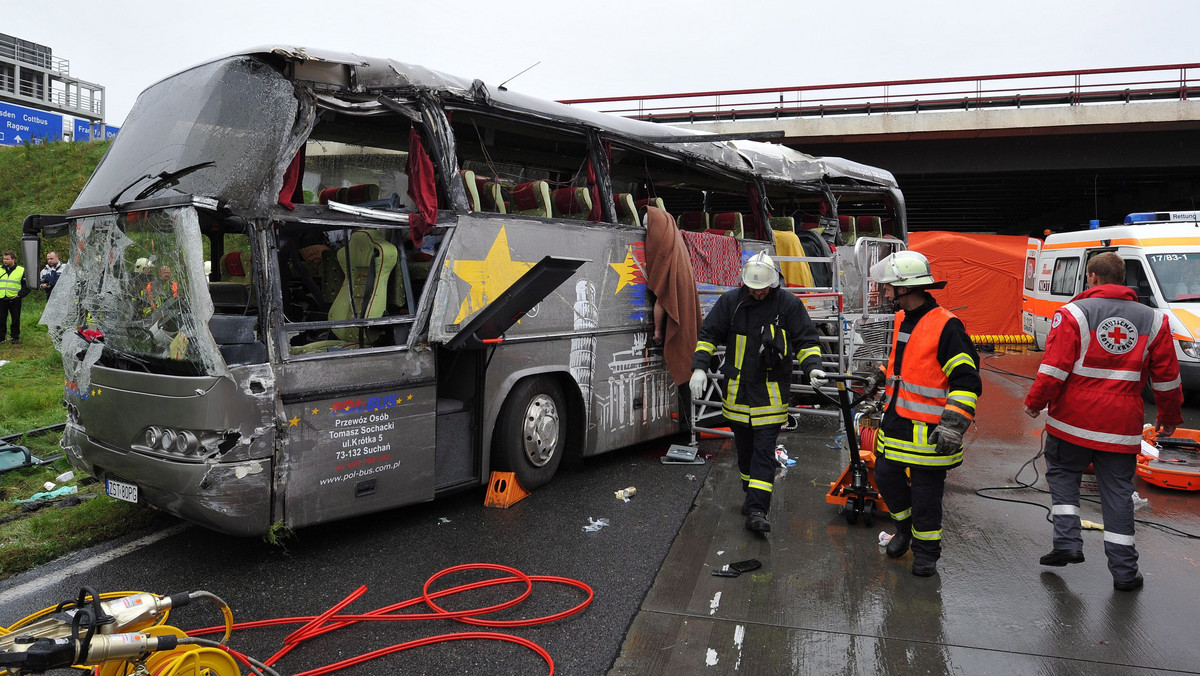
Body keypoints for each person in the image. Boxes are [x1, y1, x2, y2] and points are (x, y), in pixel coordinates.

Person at [1023, 252, 1182, 591]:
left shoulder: (1073, 314)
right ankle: (1125, 573)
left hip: (1072, 420)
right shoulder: (1154, 320)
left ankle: (1067, 541)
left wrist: (1035, 403)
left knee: (1064, 475)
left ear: (1092, 277)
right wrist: (1169, 418)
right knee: (1119, 494)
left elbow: (1054, 369)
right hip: (1121, 425)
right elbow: (1167, 378)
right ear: (1121, 279)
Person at [690, 251, 825, 534]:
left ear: (773, 283)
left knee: (764, 453)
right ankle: (750, 493)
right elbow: (708, 334)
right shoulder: (732, 302)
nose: (757, 292)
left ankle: (757, 509)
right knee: (746, 452)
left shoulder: (788, 305)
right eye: (752, 287)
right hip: (737, 394)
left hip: (770, 395)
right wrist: (700, 368)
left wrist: (813, 367)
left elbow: (806, 340)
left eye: (762, 287)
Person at [870, 250, 981, 577]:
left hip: (931, 433)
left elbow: (966, 380)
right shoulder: (906, 318)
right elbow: (906, 365)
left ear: (906, 288)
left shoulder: (947, 327)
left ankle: (926, 552)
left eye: (890, 287)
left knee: (926, 497)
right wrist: (879, 375)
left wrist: (952, 426)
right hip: (897, 424)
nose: (886, 292)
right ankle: (903, 528)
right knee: (887, 477)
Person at [0, 251, 32, 343]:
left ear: (13, 259)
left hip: (15, 299)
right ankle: (1, 338)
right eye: (4, 259)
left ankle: (15, 337)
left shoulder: (21, 270)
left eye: (7, 259)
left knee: (15, 319)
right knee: (1, 320)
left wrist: (20, 295)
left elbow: (28, 285)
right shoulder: (0, 269)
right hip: (1, 298)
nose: (5, 261)